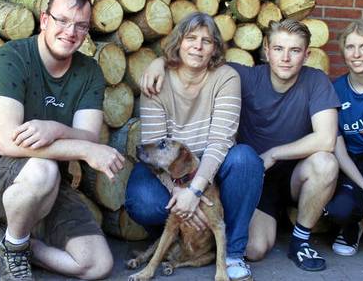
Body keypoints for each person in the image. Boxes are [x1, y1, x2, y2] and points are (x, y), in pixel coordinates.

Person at [0, 0, 125, 281]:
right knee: (43, 170)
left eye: (80, 25)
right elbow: (8, 142)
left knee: (96, 265)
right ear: (45, 20)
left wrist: (56, 129)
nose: (70, 32)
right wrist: (84, 150)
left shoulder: (89, 72)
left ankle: (8, 241)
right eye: (62, 21)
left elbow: (87, 135)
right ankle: (14, 248)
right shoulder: (9, 59)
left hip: (46, 183)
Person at [141, 19, 341, 272]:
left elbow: (326, 139)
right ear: (266, 51)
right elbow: (197, 59)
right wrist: (158, 62)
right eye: (278, 49)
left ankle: (300, 241)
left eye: (295, 50)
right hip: (253, 180)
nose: (286, 58)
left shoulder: (316, 81)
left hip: (295, 178)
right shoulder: (242, 77)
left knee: (325, 162)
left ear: (307, 54)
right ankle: (215, 242)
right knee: (254, 250)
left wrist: (275, 153)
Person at [126, 12, 264, 281]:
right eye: (191, 38)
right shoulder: (156, 80)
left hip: (211, 162)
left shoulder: (226, 77)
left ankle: (233, 253)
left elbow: (220, 140)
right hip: (169, 164)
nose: (198, 47)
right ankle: (182, 237)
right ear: (179, 42)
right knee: (142, 201)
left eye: (207, 41)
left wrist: (196, 190)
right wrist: (182, 195)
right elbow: (155, 152)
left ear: (215, 49)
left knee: (246, 160)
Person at [324, 21, 363, 259]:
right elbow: (338, 151)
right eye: (350, 47)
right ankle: (352, 226)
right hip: (354, 164)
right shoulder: (334, 90)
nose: (356, 54)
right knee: (339, 209)